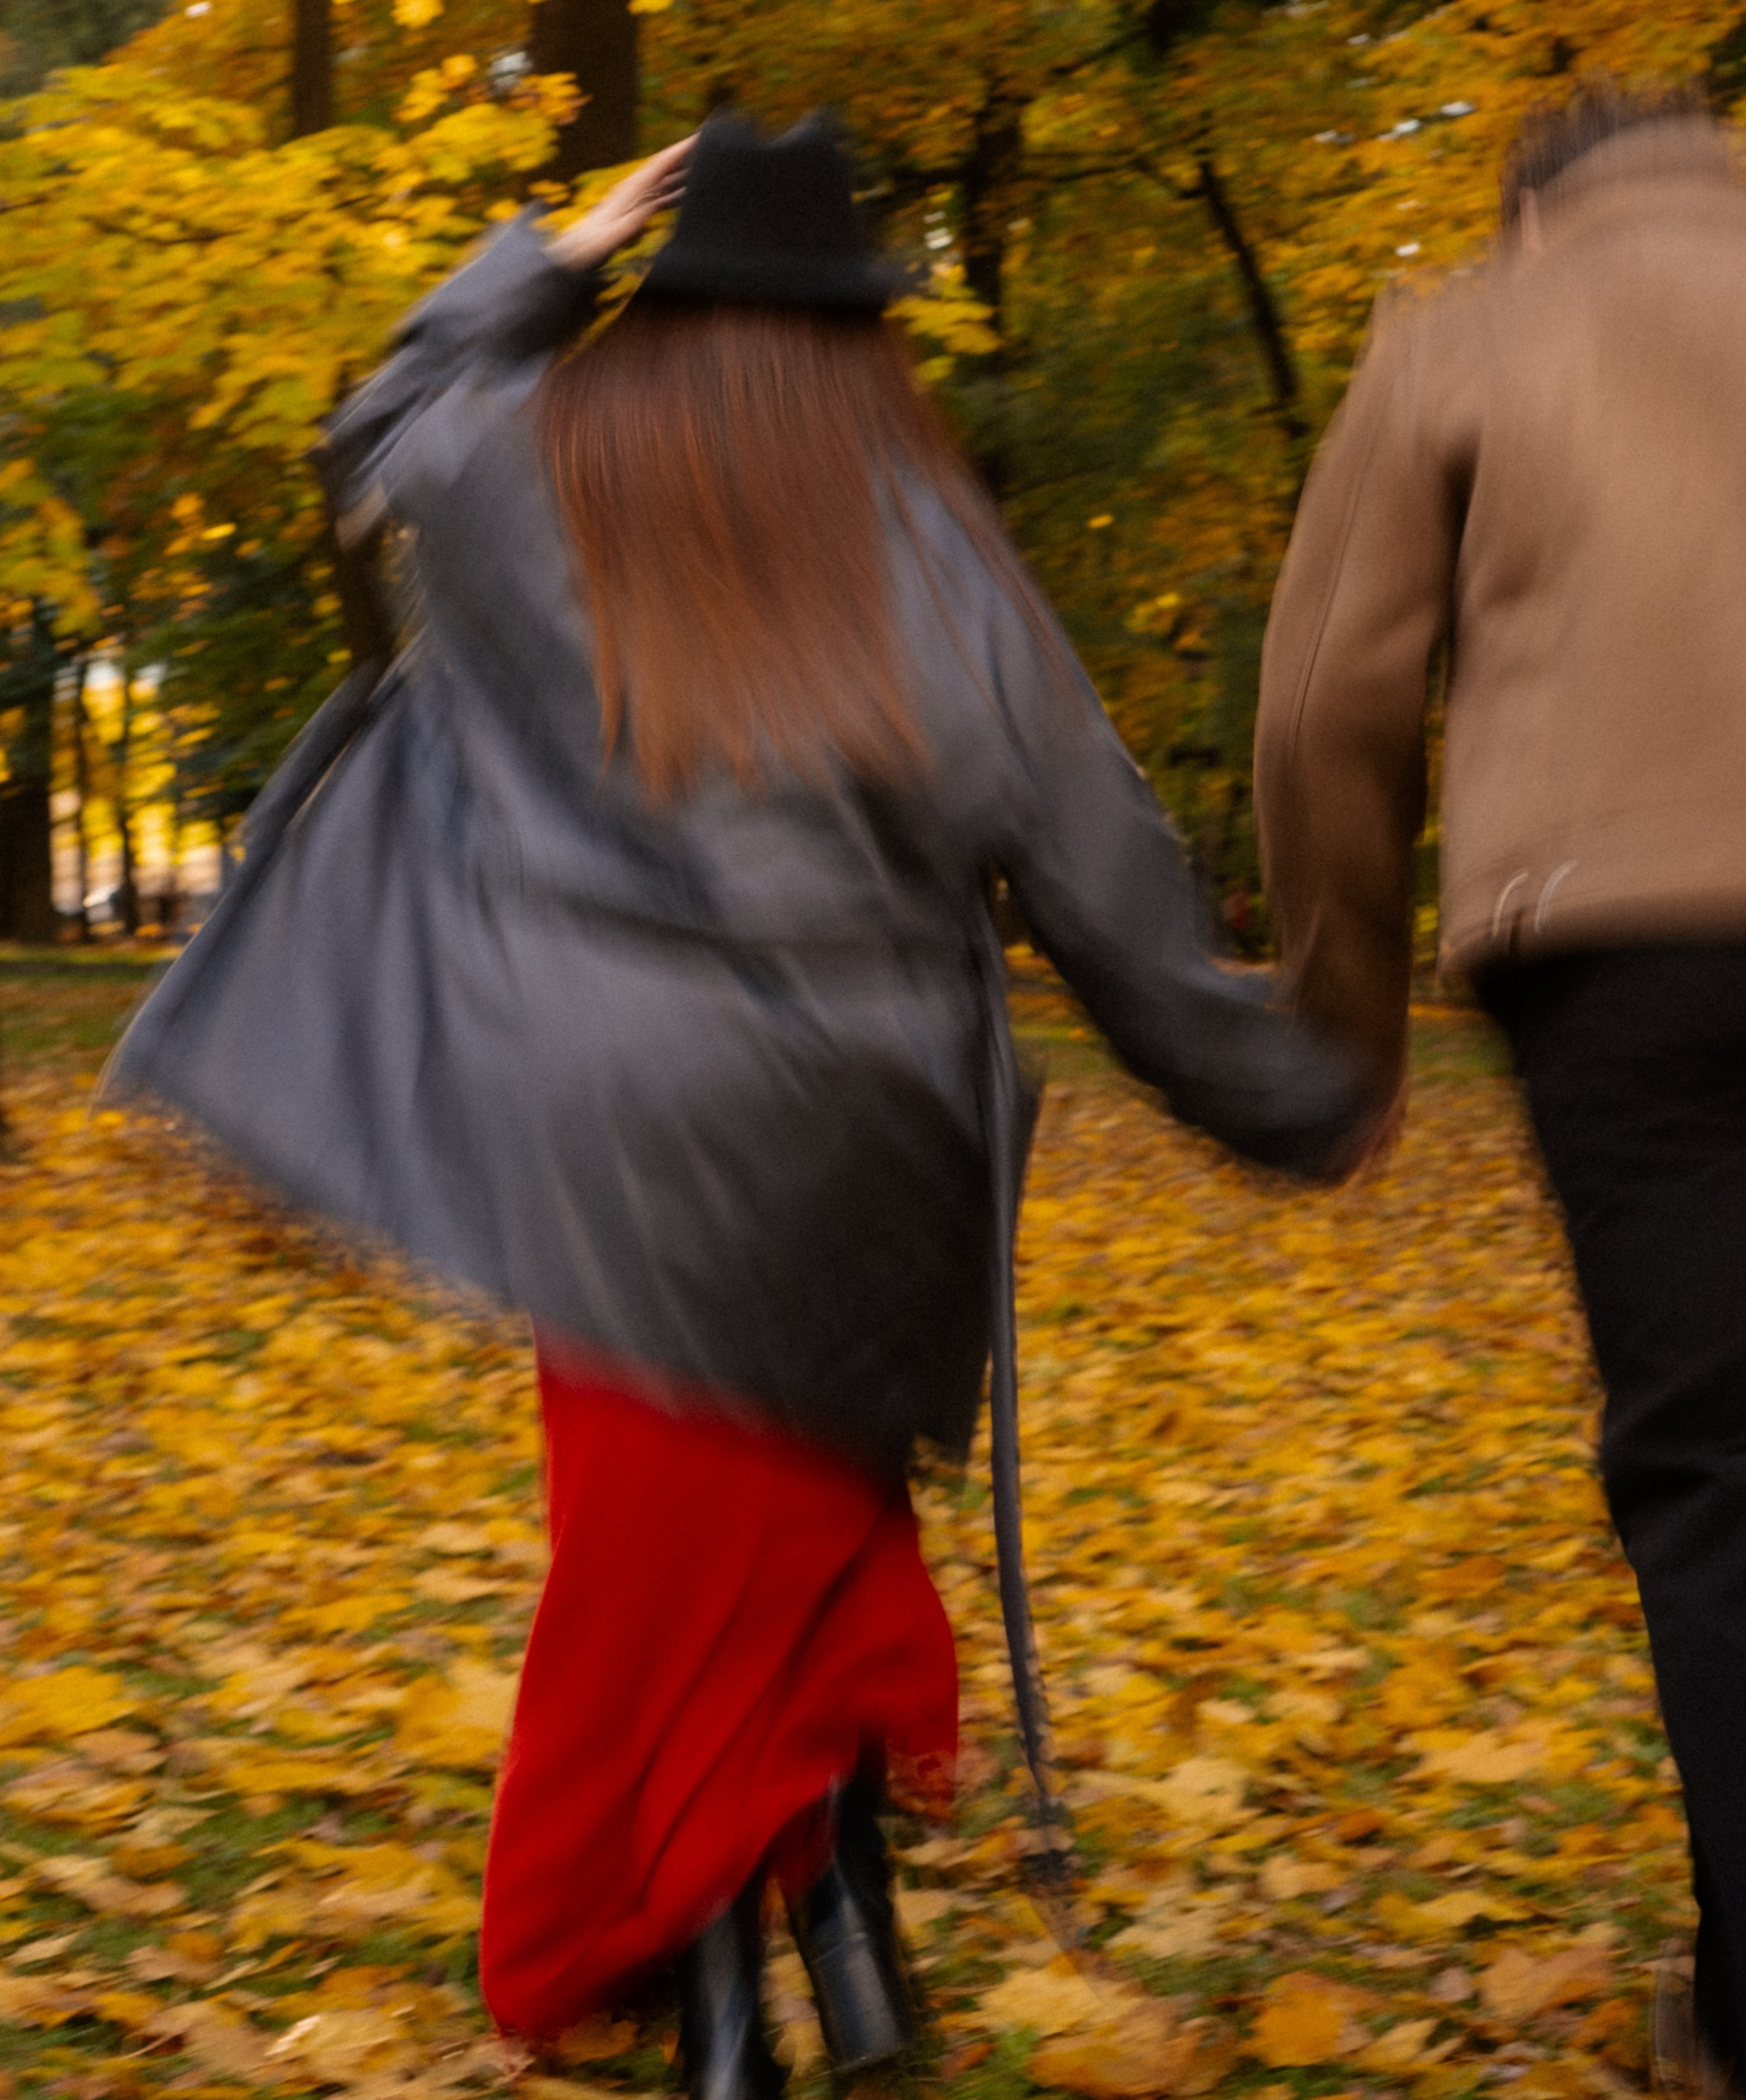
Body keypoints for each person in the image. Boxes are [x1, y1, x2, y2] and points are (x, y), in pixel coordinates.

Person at [114, 107, 1374, 2097]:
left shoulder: (534, 469)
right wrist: (1287, 1091)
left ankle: (734, 2030)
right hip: (870, 1145)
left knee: (668, 1580)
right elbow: (1104, 874)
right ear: (866, 331)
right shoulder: (938, 546)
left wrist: (550, 261)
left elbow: (380, 432)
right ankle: (842, 1949)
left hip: (605, 1126)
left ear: (665, 294)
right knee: (792, 1542)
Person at [1253, 90, 1746, 2100]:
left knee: (1728, 1477)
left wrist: (1347, 1023)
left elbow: (1324, 704)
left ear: (1534, 215)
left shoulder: (1469, 329)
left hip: (1630, 950)